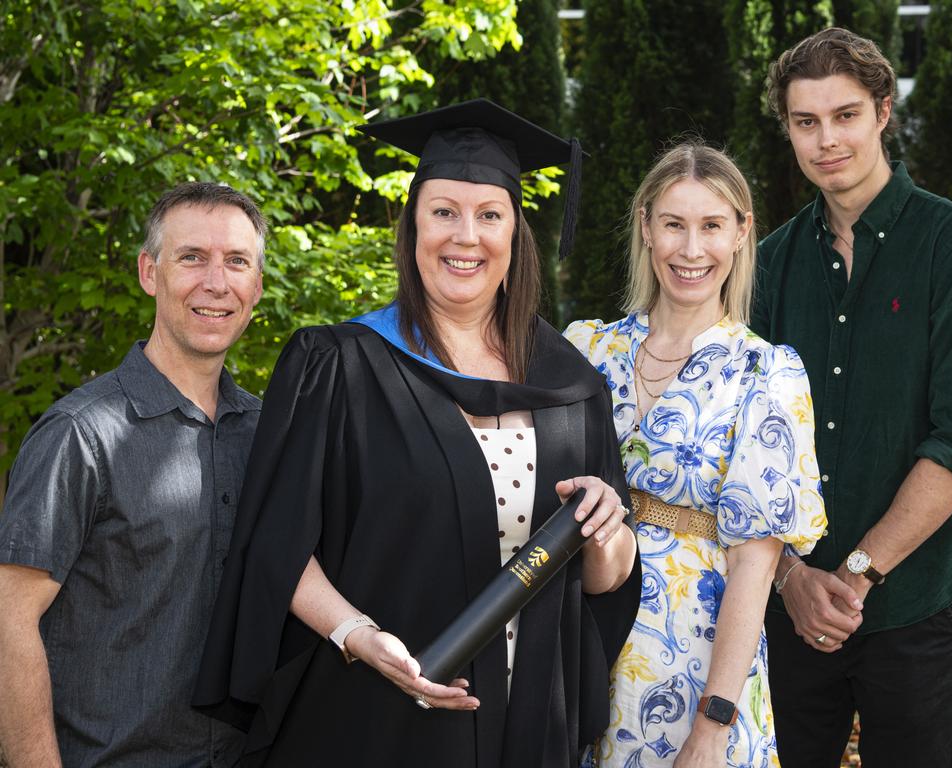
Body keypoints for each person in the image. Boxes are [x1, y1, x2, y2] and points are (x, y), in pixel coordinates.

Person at [193, 99, 641, 768]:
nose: (466, 236)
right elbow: (275, 544)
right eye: (443, 212)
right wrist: (358, 635)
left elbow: (605, 583)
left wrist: (609, 533)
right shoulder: (339, 365)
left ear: (516, 233)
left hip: (526, 722)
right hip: (375, 714)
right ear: (410, 227)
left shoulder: (571, 387)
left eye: (490, 215)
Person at [753, 27, 952, 767]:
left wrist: (853, 574)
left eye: (844, 115)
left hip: (917, 612)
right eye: (806, 122)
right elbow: (742, 439)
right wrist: (791, 578)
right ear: (789, 131)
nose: (826, 139)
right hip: (787, 609)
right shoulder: (769, 265)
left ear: (883, 112)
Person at [566, 141, 825, 768]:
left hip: (695, 666)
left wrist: (713, 727)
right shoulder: (586, 351)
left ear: (741, 234)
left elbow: (755, 567)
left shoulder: (766, 373)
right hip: (582, 649)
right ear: (646, 227)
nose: (691, 249)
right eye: (674, 224)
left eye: (712, 226)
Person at [0, 182, 267, 767]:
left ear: (257, 287)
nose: (216, 282)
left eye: (237, 262)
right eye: (192, 257)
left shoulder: (269, 436)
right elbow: (8, 621)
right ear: (150, 272)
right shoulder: (80, 434)